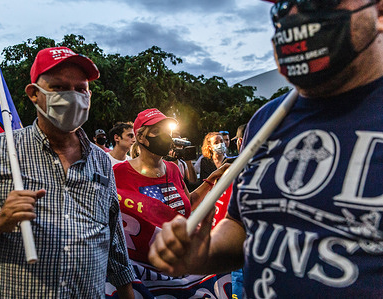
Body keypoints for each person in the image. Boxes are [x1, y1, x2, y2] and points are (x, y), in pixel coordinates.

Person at [149, 0, 383, 298]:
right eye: (284, 5)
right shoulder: (266, 120)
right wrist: (203, 254)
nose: (295, 15)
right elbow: (241, 225)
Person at [0, 46, 135, 298]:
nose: (72, 97)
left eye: (81, 89)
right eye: (59, 88)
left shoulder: (101, 160)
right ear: (34, 94)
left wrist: (127, 292)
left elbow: (114, 243)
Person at [109, 108, 231, 297]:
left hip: (182, 265)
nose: (166, 136)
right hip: (145, 274)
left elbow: (186, 204)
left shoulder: (173, 169)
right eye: (158, 131)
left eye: (168, 130)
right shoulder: (118, 173)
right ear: (141, 137)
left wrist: (212, 179)